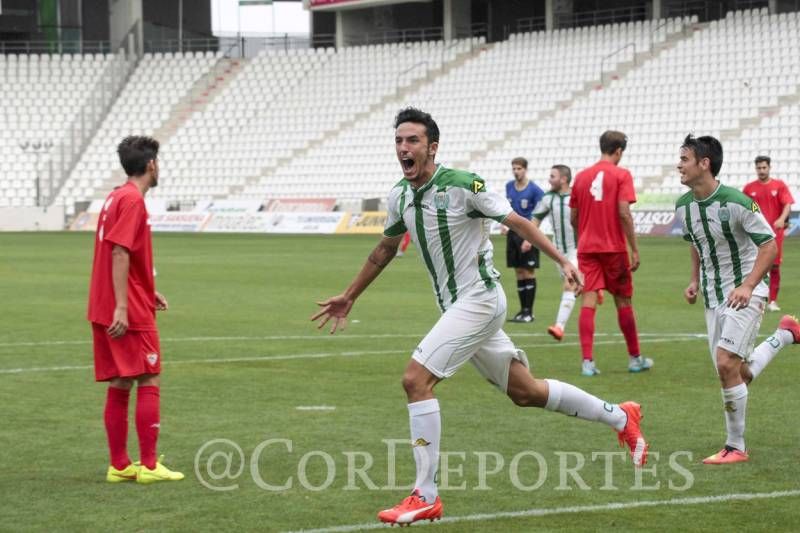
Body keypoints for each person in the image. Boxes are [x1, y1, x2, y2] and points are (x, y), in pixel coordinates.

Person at [312, 108, 649, 527]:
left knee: (415, 380)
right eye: (399, 140)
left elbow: (517, 221)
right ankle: (621, 416)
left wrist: (563, 261)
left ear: (432, 147)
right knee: (525, 392)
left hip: (479, 299)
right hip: (459, 306)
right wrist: (349, 296)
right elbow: (384, 250)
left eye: (413, 141)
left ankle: (425, 495)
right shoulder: (400, 194)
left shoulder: (462, 185)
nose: (404, 148)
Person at [676, 134, 799, 464]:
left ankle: (736, 446)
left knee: (726, 364)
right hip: (715, 296)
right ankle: (785, 335)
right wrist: (694, 280)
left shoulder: (739, 202)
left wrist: (748, 286)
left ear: (705, 164)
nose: (679, 165)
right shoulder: (683, 206)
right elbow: (696, 242)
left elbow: (769, 245)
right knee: (736, 373)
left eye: (685, 159)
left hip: (748, 291)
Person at [88, 136, 183, 484]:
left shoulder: (115, 196)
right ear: (151, 165)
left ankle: (120, 464)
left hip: (107, 301)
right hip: (123, 309)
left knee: (121, 379)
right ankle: (150, 465)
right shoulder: (132, 201)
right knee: (149, 375)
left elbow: (120, 254)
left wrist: (146, 288)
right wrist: (124, 307)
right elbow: (118, 253)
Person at [570, 130, 653, 376]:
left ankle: (587, 363)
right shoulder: (621, 175)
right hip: (614, 248)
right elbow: (624, 212)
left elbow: (573, 217)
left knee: (588, 300)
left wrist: (582, 239)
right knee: (623, 301)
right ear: (618, 151)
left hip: (587, 248)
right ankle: (635, 359)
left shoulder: (582, 177)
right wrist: (634, 249)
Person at [532, 165, 578, 341]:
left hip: (577, 249)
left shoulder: (576, 196)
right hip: (558, 252)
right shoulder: (548, 198)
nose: (549, 179)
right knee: (576, 286)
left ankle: (559, 327)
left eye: (552, 176)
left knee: (569, 283)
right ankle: (594, 287)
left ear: (564, 179)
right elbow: (535, 220)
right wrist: (529, 241)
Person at [743, 155, 794, 312]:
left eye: (764, 167)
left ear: (769, 167)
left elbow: (787, 204)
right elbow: (744, 208)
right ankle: (756, 297)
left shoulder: (779, 186)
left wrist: (781, 219)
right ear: (755, 169)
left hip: (774, 233)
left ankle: (772, 300)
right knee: (754, 265)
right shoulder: (749, 188)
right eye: (759, 168)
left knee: (774, 267)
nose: (761, 170)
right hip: (756, 235)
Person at [504, 157, 544, 323]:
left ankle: (529, 312)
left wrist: (531, 236)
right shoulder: (509, 186)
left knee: (528, 271)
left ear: (525, 169)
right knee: (519, 272)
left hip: (527, 233)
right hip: (513, 233)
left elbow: (540, 213)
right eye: (514, 168)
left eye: (519, 168)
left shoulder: (535, 190)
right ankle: (522, 311)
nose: (516, 171)